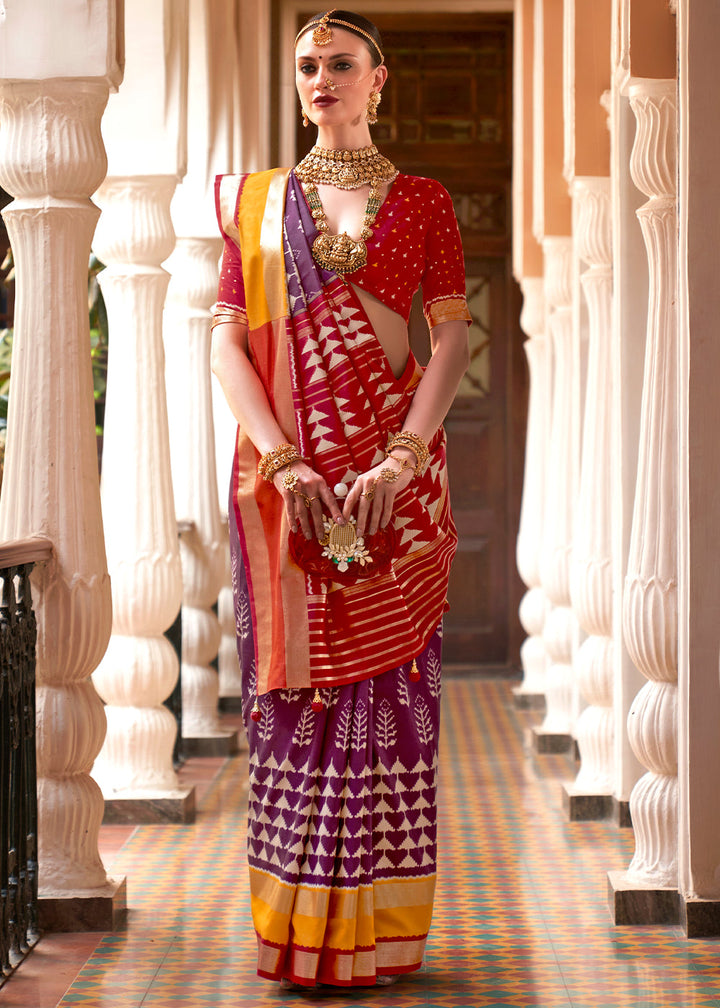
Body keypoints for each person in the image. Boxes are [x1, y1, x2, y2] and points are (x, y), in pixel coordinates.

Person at [211, 8, 471, 991]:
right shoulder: (255, 204)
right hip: (291, 487)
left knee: (393, 704)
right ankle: (298, 934)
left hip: (391, 493)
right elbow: (227, 342)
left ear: (379, 79)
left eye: (341, 64)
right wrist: (281, 460)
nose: (321, 78)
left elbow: (449, 337)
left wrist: (404, 458)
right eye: (308, 65)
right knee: (297, 704)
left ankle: (384, 932)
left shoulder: (426, 203)